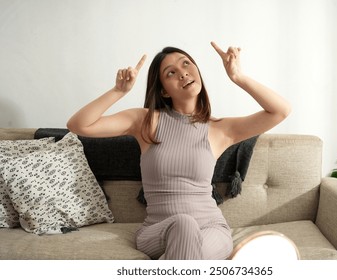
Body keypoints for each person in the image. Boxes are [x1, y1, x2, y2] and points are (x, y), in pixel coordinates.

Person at [67, 42, 291, 260]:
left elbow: (280, 111)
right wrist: (118, 91)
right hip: (158, 231)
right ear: (163, 91)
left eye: (186, 64)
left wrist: (238, 77)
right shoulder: (145, 120)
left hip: (211, 229)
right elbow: (79, 125)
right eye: (171, 73)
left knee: (188, 254)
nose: (183, 73)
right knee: (184, 223)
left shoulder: (220, 129)